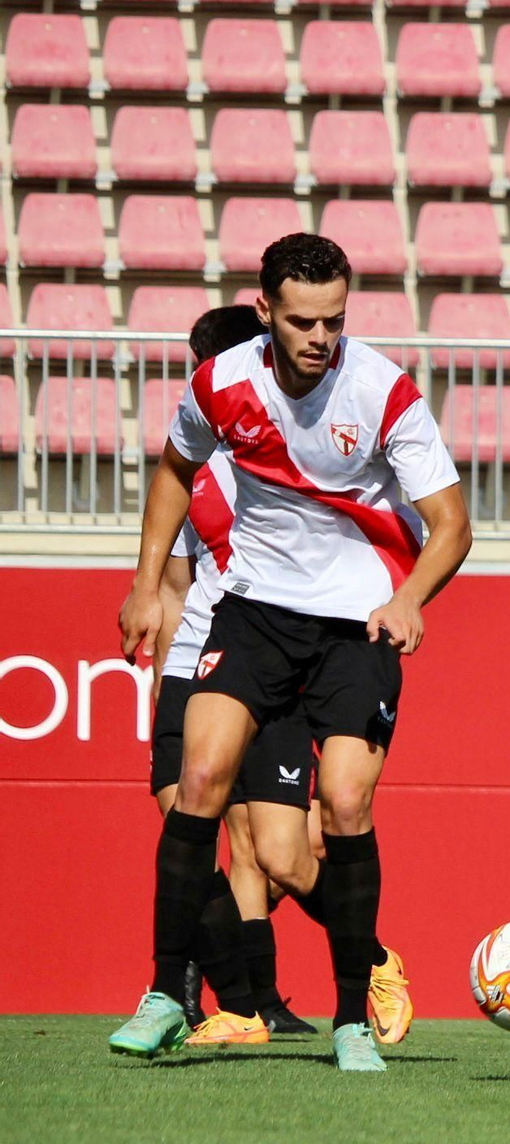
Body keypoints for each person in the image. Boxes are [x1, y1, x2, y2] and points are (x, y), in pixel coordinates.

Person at [110, 234, 473, 1071]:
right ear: (265, 309)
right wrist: (142, 582)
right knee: (196, 783)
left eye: (334, 320)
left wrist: (410, 598)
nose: (320, 336)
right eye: (303, 320)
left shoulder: (383, 391)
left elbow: (451, 525)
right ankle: (169, 991)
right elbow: (174, 468)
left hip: (359, 622)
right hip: (254, 614)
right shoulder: (222, 382)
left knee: (344, 805)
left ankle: (351, 1015)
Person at [151, 305, 323, 1037]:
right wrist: (164, 684)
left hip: (259, 659)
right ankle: (232, 995)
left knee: (268, 848)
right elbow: (172, 582)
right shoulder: (186, 463)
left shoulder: (284, 459)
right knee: (187, 829)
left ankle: (269, 989)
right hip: (192, 665)